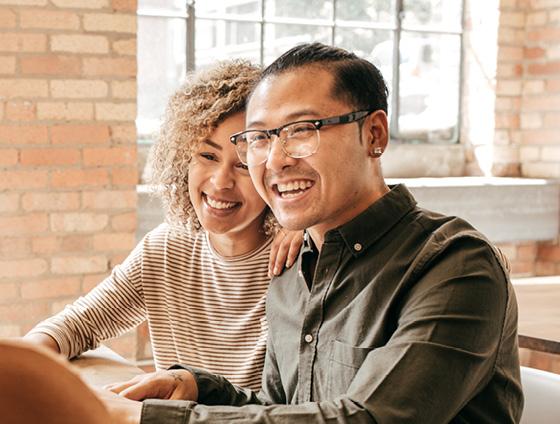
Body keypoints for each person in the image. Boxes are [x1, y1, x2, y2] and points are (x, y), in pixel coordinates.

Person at [80, 43, 525, 422]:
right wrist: (200, 388)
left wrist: (149, 419)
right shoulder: (295, 268)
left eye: (301, 131)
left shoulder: (456, 265)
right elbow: (281, 408)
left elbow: (369, 418)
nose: (274, 160)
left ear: (374, 133)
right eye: (258, 138)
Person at [24, 60, 302, 391]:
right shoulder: (167, 247)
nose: (220, 182)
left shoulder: (297, 258)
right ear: (183, 157)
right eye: (207, 156)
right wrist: (18, 365)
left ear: (270, 167)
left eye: (242, 165)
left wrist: (304, 222)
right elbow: (77, 325)